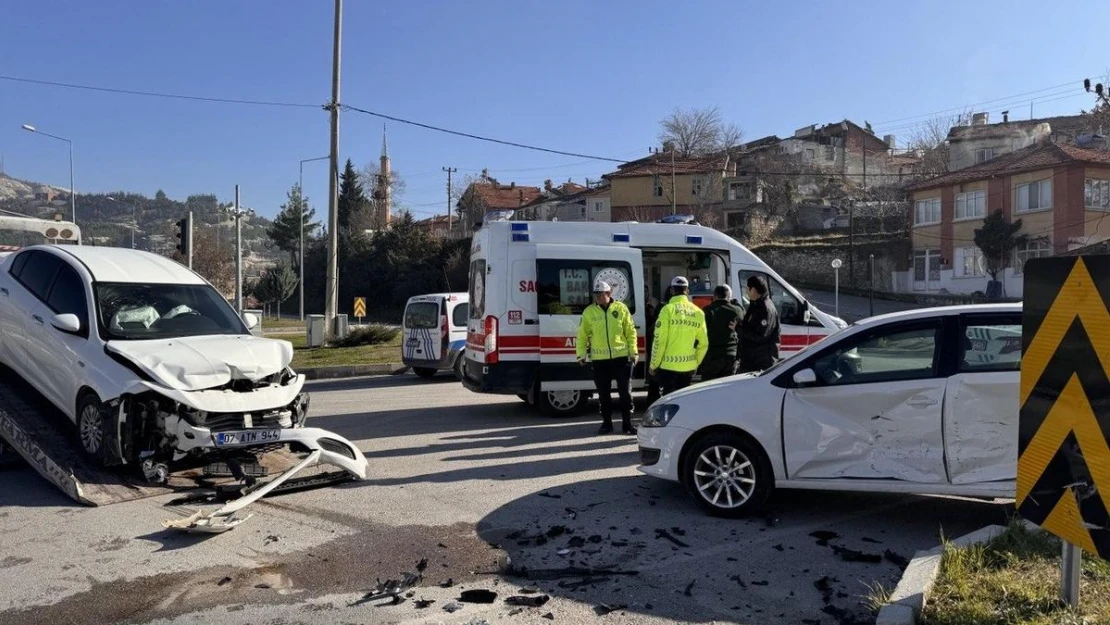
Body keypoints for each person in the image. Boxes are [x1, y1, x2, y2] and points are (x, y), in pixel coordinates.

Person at [576, 279, 638, 434]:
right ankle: (607, 423)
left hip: (621, 358)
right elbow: (582, 335)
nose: (597, 297)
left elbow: (630, 332)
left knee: (625, 394)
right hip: (600, 361)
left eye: (600, 294)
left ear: (609, 293)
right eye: (596, 294)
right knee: (604, 395)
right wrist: (580, 354)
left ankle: (627, 424)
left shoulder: (621, 309)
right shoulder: (589, 312)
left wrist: (633, 352)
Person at [649, 276, 709, 396]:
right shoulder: (698, 312)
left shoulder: (667, 310)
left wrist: (654, 365)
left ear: (672, 290)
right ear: (687, 291)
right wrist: (696, 362)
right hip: (688, 368)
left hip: (668, 367)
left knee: (669, 402)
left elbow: (660, 341)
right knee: (683, 401)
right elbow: (704, 344)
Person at [737, 274, 781, 373]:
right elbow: (749, 325)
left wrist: (738, 329)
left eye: (747, 289)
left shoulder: (765, 309)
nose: (746, 292)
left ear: (753, 290)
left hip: (760, 363)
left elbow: (760, 336)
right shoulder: (755, 304)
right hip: (751, 360)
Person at [700, 285, 743, 381]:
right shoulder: (737, 310)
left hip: (711, 357)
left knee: (708, 388)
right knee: (726, 388)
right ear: (729, 297)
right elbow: (744, 317)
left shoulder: (707, 310)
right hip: (730, 356)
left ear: (714, 297)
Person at [644, 284, 668, 405]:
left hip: (656, 356)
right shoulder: (662, 315)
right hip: (661, 358)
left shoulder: (659, 311)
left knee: (654, 386)